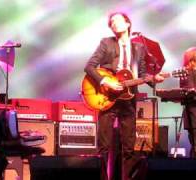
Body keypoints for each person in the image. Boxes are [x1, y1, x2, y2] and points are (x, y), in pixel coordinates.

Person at [84, 12, 164, 180]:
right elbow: (89, 67)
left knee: (128, 147)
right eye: (111, 22)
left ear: (128, 24)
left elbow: (142, 75)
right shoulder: (106, 43)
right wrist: (105, 81)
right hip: (107, 98)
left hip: (128, 100)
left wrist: (154, 79)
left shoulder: (139, 48)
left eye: (117, 20)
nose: (113, 24)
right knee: (104, 146)